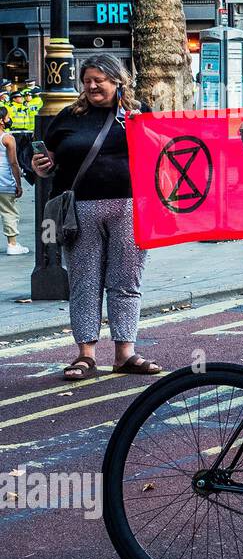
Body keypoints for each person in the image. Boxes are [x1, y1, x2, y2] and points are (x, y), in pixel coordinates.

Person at [31, 54, 160, 381]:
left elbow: (164, 153)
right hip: (80, 211)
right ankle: (85, 355)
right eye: (87, 80)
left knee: (126, 283)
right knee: (84, 281)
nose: (91, 86)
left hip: (130, 209)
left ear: (118, 81)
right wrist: (39, 165)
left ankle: (125, 354)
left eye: (98, 80)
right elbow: (45, 157)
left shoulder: (137, 114)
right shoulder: (68, 116)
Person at [0, 106, 28, 255]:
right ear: (1, 121)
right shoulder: (7, 138)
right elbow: (14, 163)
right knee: (9, 212)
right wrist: (19, 184)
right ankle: (12, 244)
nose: (9, 119)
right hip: (3, 181)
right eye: (7, 117)